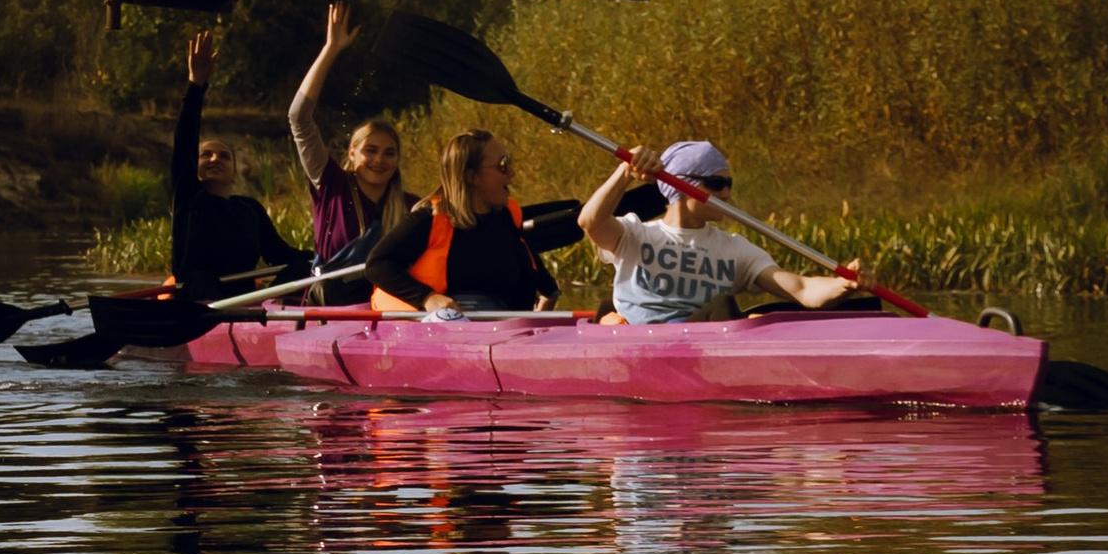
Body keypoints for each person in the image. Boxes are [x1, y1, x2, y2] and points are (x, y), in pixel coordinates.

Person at [578, 137, 859, 322]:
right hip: (642, 343)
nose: (726, 194)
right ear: (680, 183)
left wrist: (844, 284)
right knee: (724, 306)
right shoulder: (635, 234)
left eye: (729, 185)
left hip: (702, 340)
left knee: (753, 311)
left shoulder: (736, 249)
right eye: (715, 183)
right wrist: (626, 172)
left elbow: (802, 288)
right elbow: (590, 222)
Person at [170, 32, 314, 309]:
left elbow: (281, 254)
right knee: (201, 278)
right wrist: (196, 85)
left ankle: (276, 315)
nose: (215, 159)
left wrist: (325, 259)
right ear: (195, 166)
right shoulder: (188, 199)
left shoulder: (249, 210)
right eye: (206, 155)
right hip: (200, 301)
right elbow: (184, 142)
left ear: (234, 171)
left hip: (248, 304)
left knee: (303, 267)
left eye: (224, 156)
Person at [365, 127, 558, 317]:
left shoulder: (507, 218)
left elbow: (548, 288)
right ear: (471, 176)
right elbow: (377, 264)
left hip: (503, 329)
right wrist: (427, 298)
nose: (511, 173)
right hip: (450, 324)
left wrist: (541, 316)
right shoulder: (429, 219)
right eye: (502, 165)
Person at [287, 2, 412, 267]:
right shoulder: (331, 184)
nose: (380, 159)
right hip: (333, 302)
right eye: (371, 150)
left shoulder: (411, 207)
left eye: (389, 153)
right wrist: (330, 50)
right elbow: (299, 117)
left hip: (386, 303)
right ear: (352, 153)